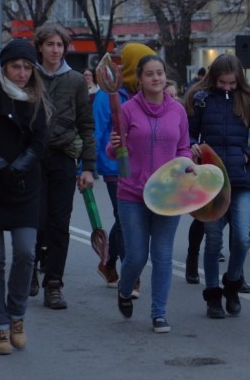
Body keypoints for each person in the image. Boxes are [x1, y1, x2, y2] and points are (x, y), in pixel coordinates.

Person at [0, 39, 52, 354]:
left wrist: (20, 166)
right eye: (16, 66)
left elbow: (40, 142)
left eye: (28, 67)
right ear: (4, 66)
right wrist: (0, 165)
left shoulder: (36, 97)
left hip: (24, 185)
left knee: (27, 253)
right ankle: (0, 326)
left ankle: (17, 315)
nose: (22, 73)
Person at [111, 54, 191, 333]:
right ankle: (124, 289)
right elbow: (115, 151)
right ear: (139, 80)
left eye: (160, 73)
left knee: (163, 255)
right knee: (135, 256)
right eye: (150, 74)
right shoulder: (127, 110)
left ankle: (159, 313)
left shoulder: (177, 111)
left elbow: (183, 146)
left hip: (168, 194)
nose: (156, 78)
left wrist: (187, 164)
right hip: (132, 193)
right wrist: (113, 146)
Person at [185, 54, 250, 319]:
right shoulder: (201, 99)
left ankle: (232, 284)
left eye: (232, 83)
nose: (227, 88)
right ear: (214, 78)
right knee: (213, 241)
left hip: (240, 179)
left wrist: (249, 155)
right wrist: (191, 145)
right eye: (222, 82)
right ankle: (212, 295)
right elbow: (186, 132)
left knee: (242, 237)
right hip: (210, 180)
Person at [31, 24, 96, 309]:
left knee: (59, 223)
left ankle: (54, 284)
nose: (56, 50)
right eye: (50, 45)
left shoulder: (75, 81)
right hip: (30, 159)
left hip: (62, 159)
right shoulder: (27, 75)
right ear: (40, 47)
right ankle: (29, 270)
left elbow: (86, 125)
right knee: (34, 221)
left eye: (60, 45)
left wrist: (88, 167)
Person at [92, 43, 156, 296]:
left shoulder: (145, 93)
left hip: (141, 167)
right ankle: (133, 275)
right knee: (127, 220)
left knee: (127, 219)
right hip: (114, 167)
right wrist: (85, 166)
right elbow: (96, 131)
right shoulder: (107, 94)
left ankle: (108, 263)